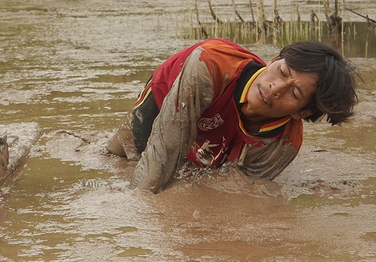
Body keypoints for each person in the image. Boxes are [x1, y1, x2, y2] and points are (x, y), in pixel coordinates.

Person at [106, 38, 358, 193]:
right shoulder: (209, 65)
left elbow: (239, 191)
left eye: (293, 93)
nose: (275, 88)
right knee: (121, 155)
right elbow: (163, 152)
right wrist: (138, 210)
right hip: (169, 97)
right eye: (281, 72)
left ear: (301, 112)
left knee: (205, 174)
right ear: (274, 60)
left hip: (227, 130)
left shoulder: (284, 144)